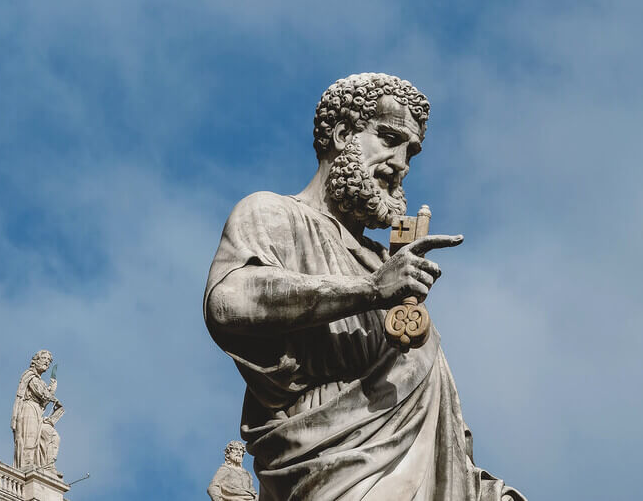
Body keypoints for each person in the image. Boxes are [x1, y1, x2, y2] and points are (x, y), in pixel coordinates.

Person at [204, 73, 526, 500]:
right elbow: (228, 301)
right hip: (329, 467)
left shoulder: (385, 263)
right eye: (389, 138)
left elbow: (434, 409)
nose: (400, 164)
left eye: (410, 151)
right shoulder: (273, 214)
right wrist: (370, 290)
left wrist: (474, 485)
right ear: (341, 134)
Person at [11, 349, 62, 476]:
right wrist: (52, 394)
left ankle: (48, 466)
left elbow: (44, 399)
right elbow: (41, 394)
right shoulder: (30, 376)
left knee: (52, 435)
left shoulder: (40, 381)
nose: (47, 363)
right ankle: (27, 466)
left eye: (49, 361)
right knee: (30, 438)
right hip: (28, 409)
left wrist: (51, 392)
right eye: (44, 359)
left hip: (37, 411)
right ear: (36, 360)